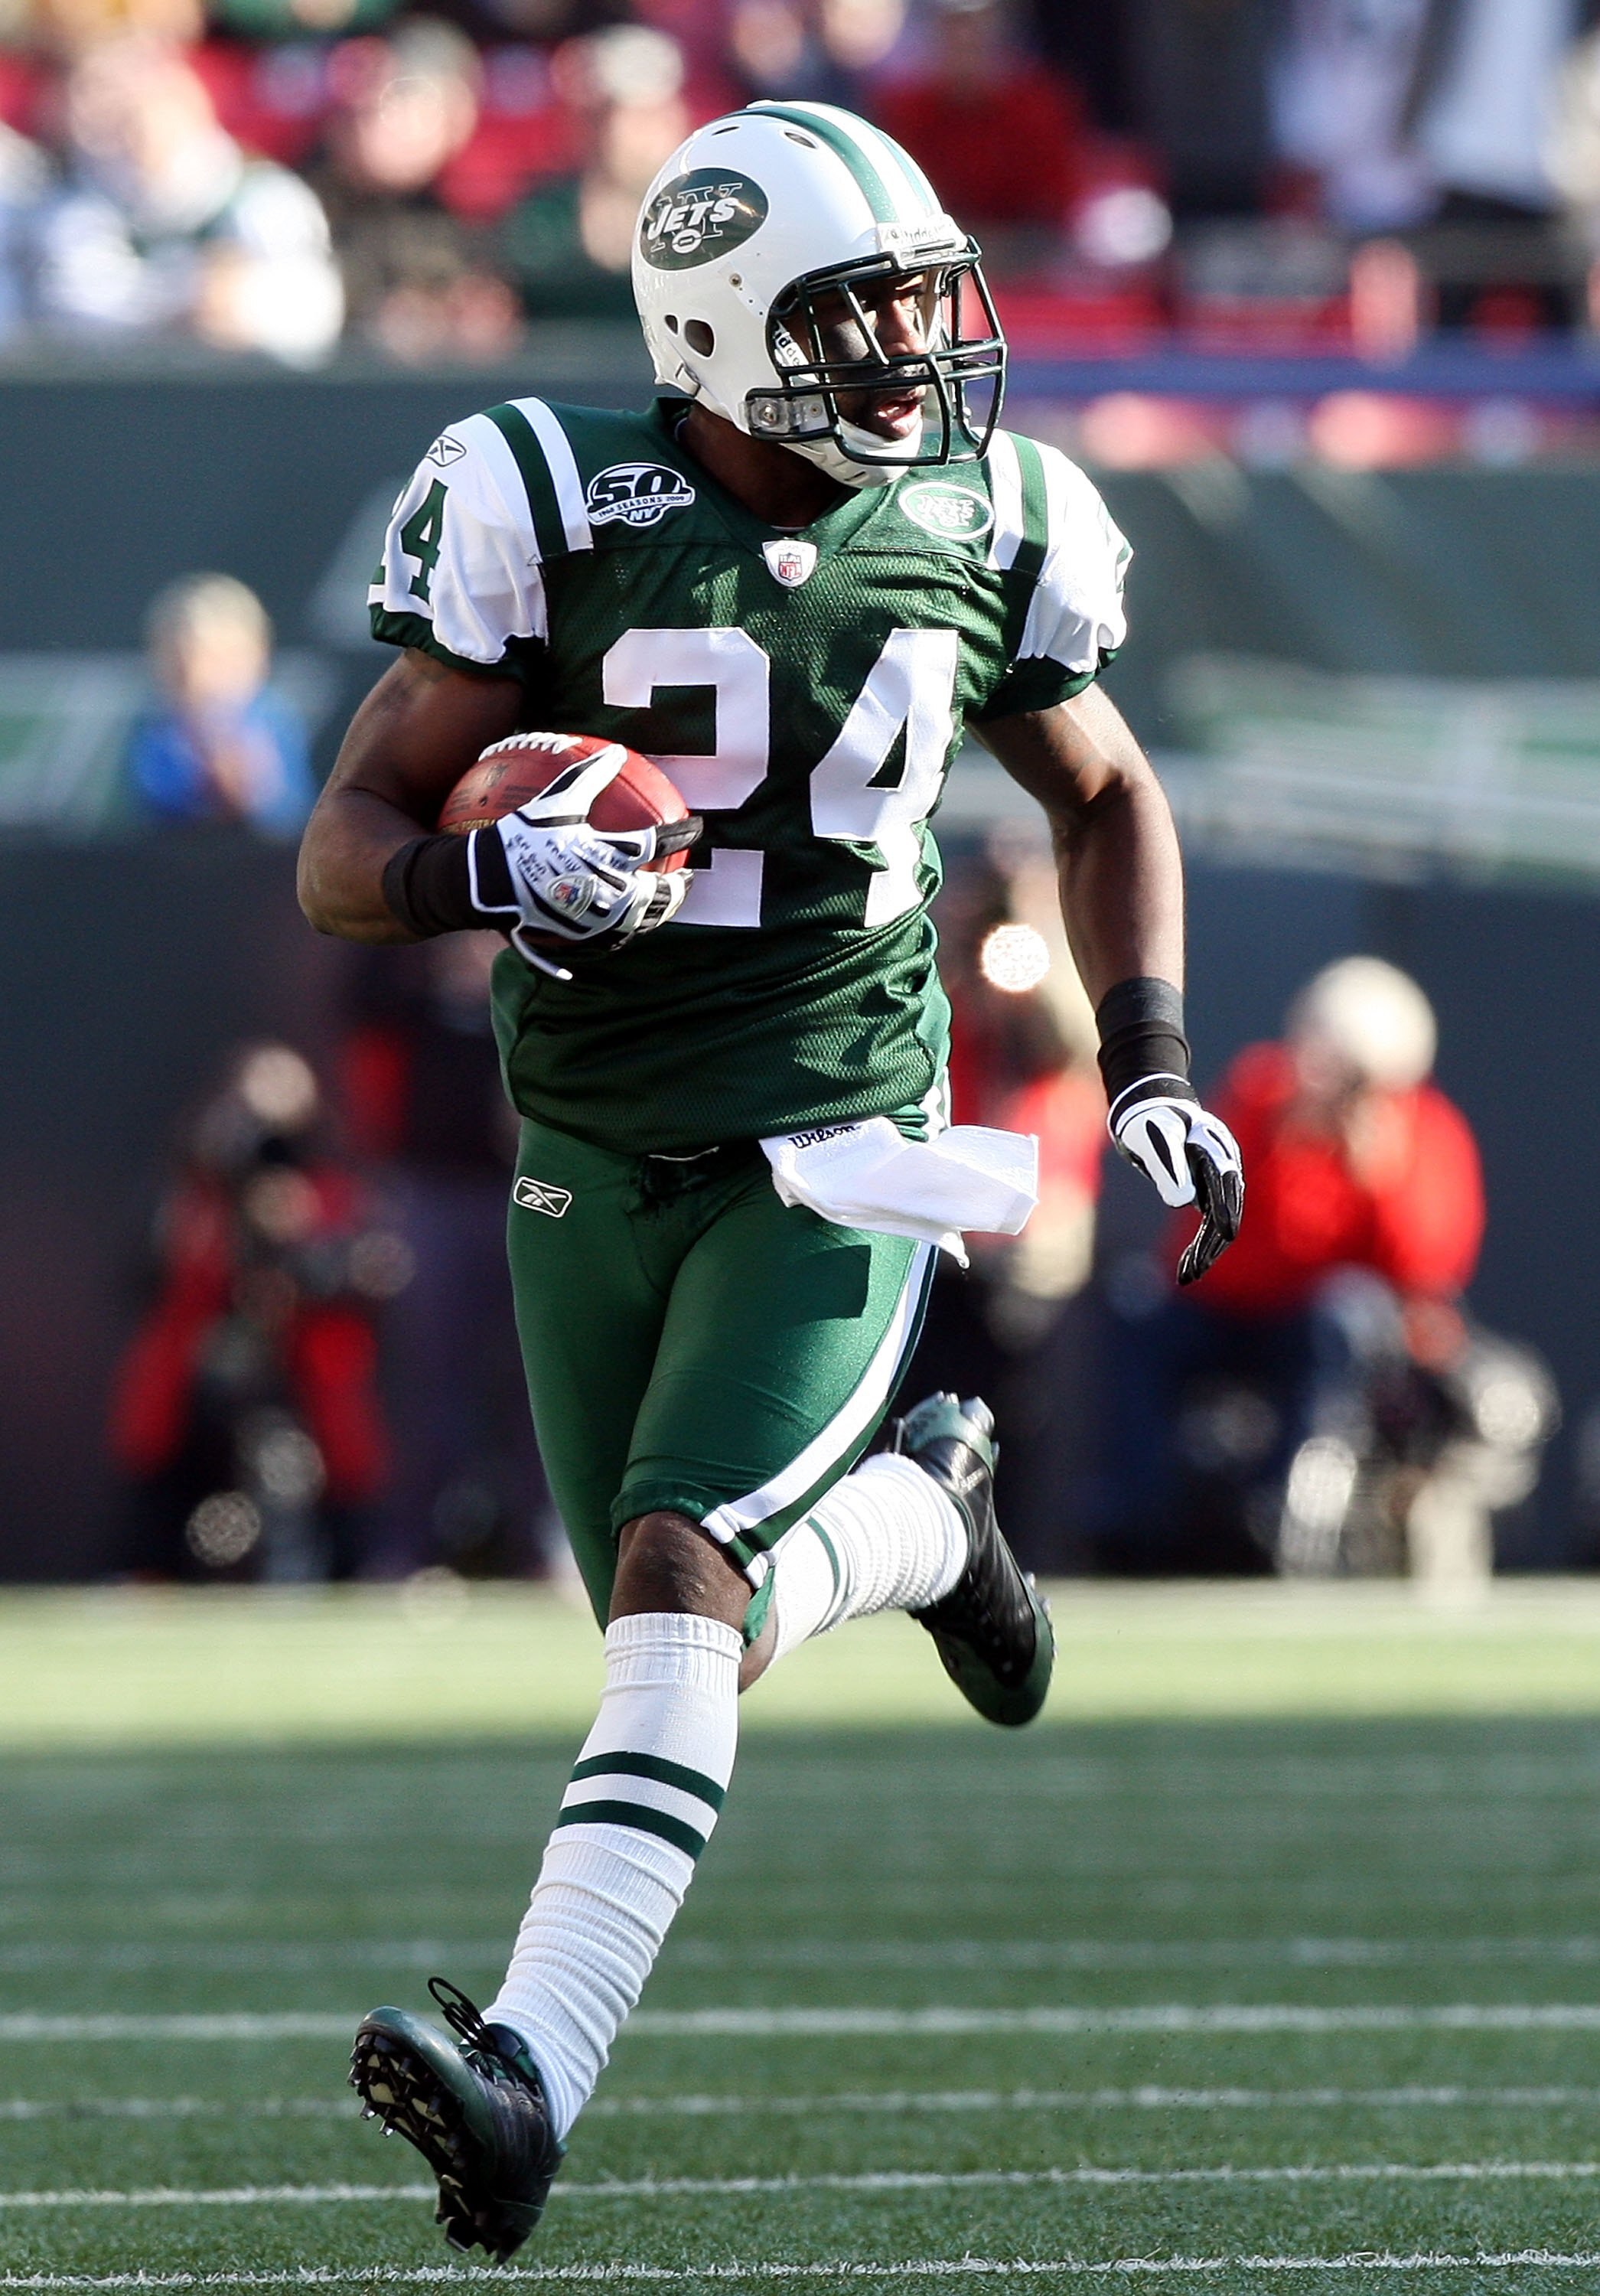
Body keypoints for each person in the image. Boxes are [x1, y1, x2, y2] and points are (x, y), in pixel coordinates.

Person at [297, 96, 1243, 2258]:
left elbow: (1102, 796)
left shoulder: (987, 511)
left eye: (920, 309)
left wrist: (1152, 1061)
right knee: (662, 1615)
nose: (912, 363)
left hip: (843, 1145)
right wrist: (475, 867)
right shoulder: (547, 495)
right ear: (717, 336)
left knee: (670, 1572)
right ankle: (929, 1523)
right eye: (856, 320)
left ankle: (529, 2071)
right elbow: (342, 846)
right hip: (590, 1146)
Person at [1102, 957, 1484, 1573]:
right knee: (1138, 1315)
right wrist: (1285, 1140)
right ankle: (1130, 1525)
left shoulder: (1426, 1129)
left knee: (1342, 1313)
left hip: (1335, 1336)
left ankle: (1288, 1526)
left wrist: (1376, 1175)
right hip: (1236, 1315)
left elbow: (1425, 1271)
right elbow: (1209, 1245)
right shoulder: (1262, 1094)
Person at [34, 36, 344, 364]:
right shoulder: (83, 199)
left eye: (159, 107)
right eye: (127, 114)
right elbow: (72, 308)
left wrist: (245, 303)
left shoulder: (263, 195)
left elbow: (315, 312)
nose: (145, 129)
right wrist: (187, 294)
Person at [126, 572, 315, 833]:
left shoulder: (273, 718)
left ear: (257, 657)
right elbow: (150, 807)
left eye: (217, 659)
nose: (196, 674)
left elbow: (288, 813)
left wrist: (248, 786)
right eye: (180, 660)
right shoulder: (155, 727)